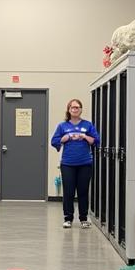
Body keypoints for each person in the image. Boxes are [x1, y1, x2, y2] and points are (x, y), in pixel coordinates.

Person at [50, 98, 100, 229]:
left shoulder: (88, 125)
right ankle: (68, 218)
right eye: (72, 107)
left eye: (77, 107)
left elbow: (96, 140)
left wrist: (84, 137)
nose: (75, 109)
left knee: (83, 191)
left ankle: (83, 218)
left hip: (85, 163)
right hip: (67, 164)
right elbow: (54, 141)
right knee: (69, 191)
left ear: (81, 109)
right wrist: (64, 138)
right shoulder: (63, 126)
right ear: (69, 110)